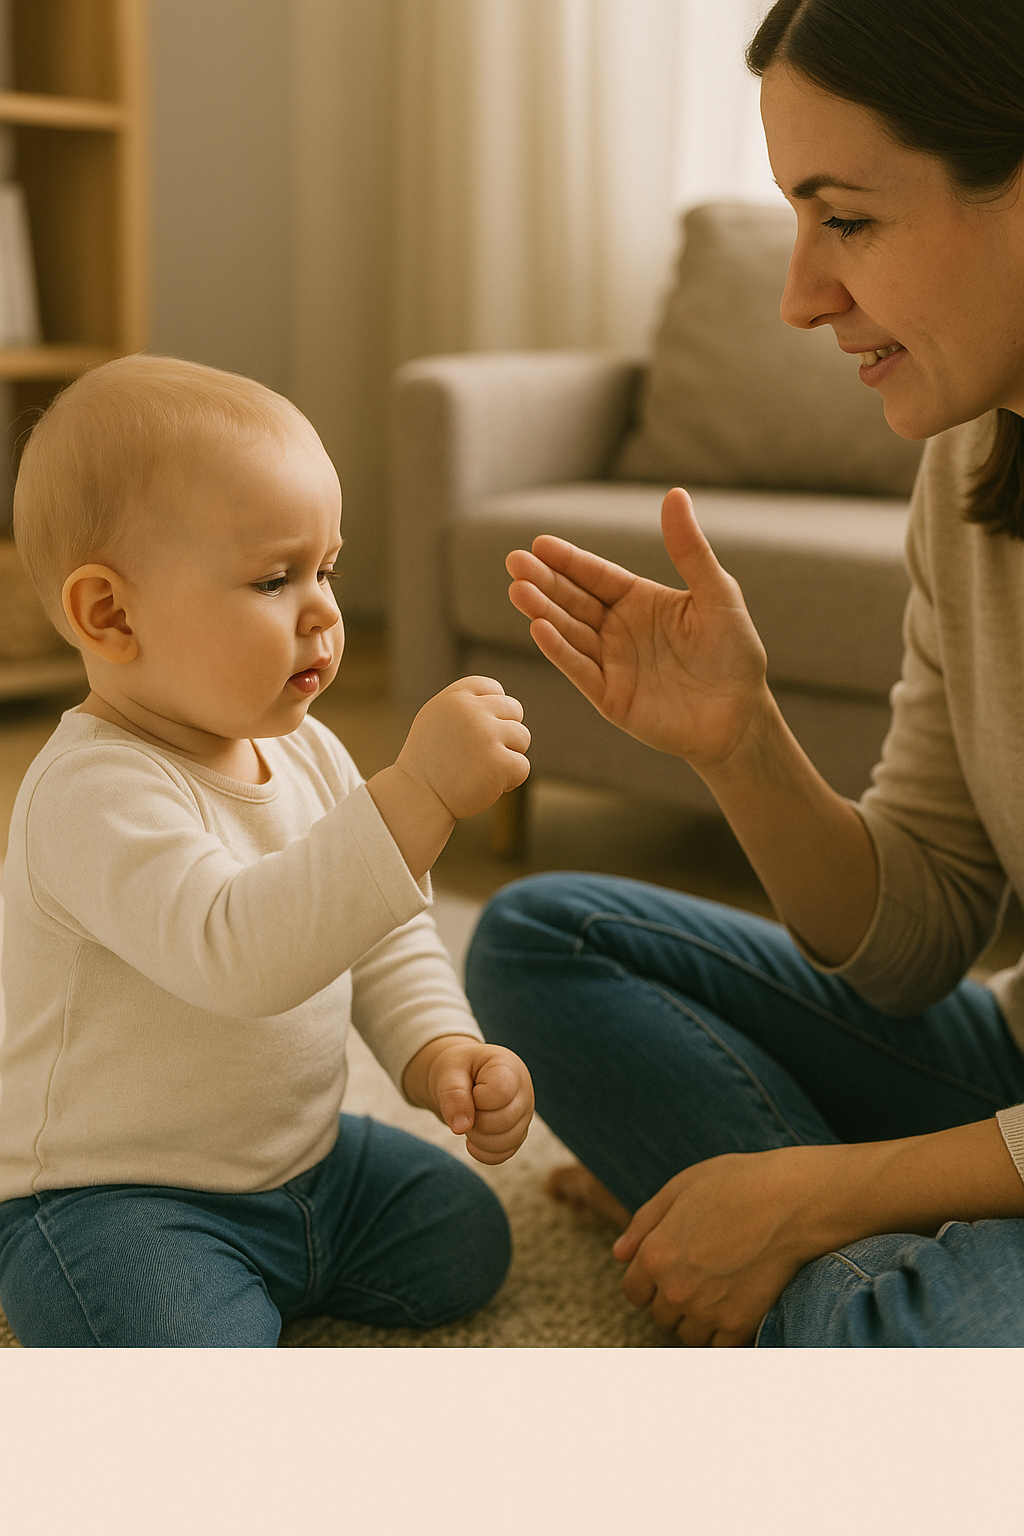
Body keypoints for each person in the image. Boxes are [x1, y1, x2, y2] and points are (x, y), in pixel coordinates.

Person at [465, 0, 1024, 1347]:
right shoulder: (967, 470)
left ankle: (804, 1269)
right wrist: (738, 741)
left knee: (927, 1356)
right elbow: (915, 943)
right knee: (544, 937)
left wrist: (812, 1194)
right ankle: (821, 1271)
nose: (799, 295)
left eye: (848, 218)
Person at [0, 354, 534, 1348]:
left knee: (465, 1243)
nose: (325, 609)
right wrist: (414, 795)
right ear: (111, 615)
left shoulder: (308, 752)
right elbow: (242, 955)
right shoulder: (90, 795)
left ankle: (272, 1262)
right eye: (274, 578)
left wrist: (440, 1050)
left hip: (302, 1165)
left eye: (326, 568)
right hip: (111, 1197)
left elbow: (380, 931)